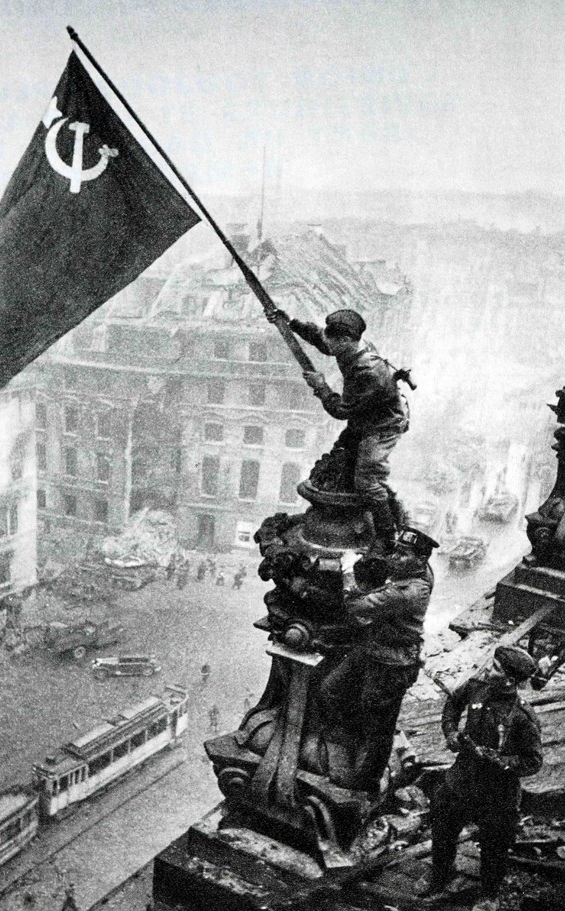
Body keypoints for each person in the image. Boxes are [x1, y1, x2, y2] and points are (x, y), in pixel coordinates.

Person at [268, 307, 409, 550]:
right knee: (340, 458)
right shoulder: (351, 345)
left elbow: (341, 410)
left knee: (367, 481)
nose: (328, 346)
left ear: (345, 340)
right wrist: (290, 323)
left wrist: (321, 387)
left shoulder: (367, 371)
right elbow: (321, 339)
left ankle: (388, 534)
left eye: (333, 342)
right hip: (365, 416)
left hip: (383, 425)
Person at [416, 645, 543, 911]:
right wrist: (451, 733)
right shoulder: (476, 687)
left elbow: (533, 761)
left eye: (495, 668)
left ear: (510, 680)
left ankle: (488, 894)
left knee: (495, 846)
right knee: (442, 827)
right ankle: (440, 875)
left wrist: (500, 761)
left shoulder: (522, 716)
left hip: (497, 792)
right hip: (461, 780)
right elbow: (452, 704)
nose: (487, 669)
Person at [319, 526, 437, 798]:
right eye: (396, 550)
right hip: (374, 648)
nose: (395, 557)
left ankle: (366, 781)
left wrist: (347, 569)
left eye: (404, 554)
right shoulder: (416, 572)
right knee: (331, 689)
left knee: (379, 726)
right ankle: (349, 744)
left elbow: (356, 605)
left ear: (420, 560)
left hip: (391, 663)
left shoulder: (408, 591)